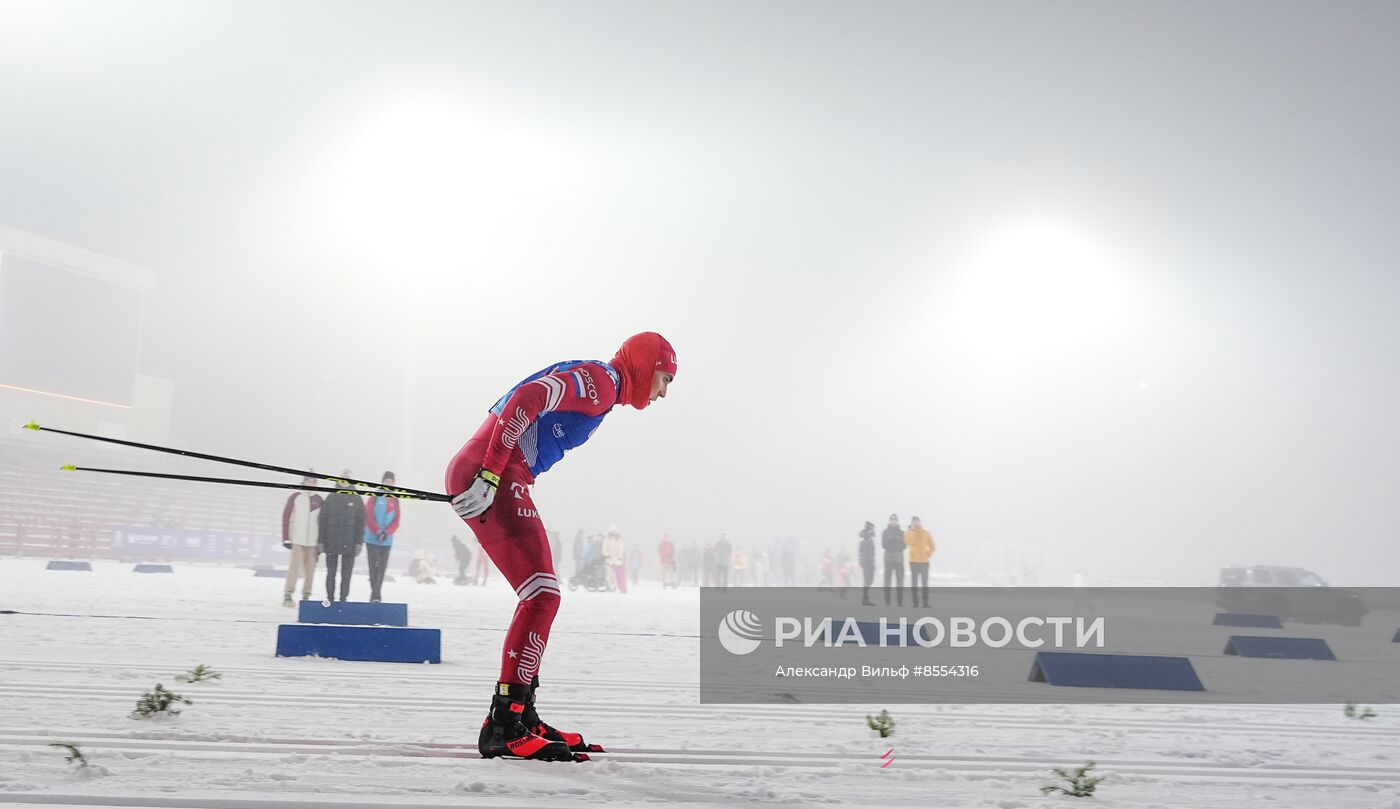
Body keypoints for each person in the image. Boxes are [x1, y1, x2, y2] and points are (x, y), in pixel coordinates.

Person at [445, 331, 676, 761]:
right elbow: (526, 399)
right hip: (494, 471)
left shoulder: (601, 381)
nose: (663, 392)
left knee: (540, 595)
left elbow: (524, 400)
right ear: (646, 367)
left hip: (494, 469)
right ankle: (505, 724)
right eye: (664, 379)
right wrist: (491, 472)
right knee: (541, 595)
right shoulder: (602, 383)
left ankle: (519, 715)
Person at [318, 471, 366, 602]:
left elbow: (361, 522)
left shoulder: (356, 498)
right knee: (331, 573)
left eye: (347, 479)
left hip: (349, 543)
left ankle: (343, 598)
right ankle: (330, 597)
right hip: (331, 542)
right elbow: (322, 520)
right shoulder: (331, 496)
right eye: (342, 479)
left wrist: (359, 542)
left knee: (346, 574)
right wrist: (321, 540)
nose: (344, 481)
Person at [280, 474, 322, 607]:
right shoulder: (295, 497)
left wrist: (321, 542)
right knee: (295, 568)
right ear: (304, 482)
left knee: (310, 569)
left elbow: (322, 521)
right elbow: (286, 517)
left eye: (313, 481)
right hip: (297, 539)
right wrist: (286, 537)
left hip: (313, 541)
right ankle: (288, 595)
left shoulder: (319, 499)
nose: (311, 483)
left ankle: (306, 595)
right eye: (308, 480)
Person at [364, 470, 401, 603]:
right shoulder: (374, 497)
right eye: (386, 481)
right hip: (372, 539)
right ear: (382, 482)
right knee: (374, 568)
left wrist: (387, 532)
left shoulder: (395, 500)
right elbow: (368, 516)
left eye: (391, 482)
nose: (389, 483)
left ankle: (376, 595)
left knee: (381, 569)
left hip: (386, 541)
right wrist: (378, 531)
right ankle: (375, 595)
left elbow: (396, 520)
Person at [905, 515, 936, 608]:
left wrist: (928, 553)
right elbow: (908, 542)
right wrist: (912, 530)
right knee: (914, 583)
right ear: (912, 523)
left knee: (924, 583)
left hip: (924, 562)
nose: (916, 523)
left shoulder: (926, 533)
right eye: (914, 522)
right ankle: (915, 603)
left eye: (917, 521)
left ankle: (925, 603)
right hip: (914, 562)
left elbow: (933, 546)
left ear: (920, 522)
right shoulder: (909, 533)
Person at [881, 513, 905, 607]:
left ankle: (900, 602)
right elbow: (883, 545)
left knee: (900, 580)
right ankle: (887, 601)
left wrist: (894, 543)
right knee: (887, 580)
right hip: (888, 558)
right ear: (889, 521)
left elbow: (904, 545)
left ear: (897, 521)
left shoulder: (902, 533)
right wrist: (893, 543)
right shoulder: (885, 532)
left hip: (899, 559)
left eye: (895, 520)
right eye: (892, 520)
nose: (893, 522)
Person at [858, 521, 876, 606]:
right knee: (867, 580)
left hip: (870, 562)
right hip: (866, 562)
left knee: (869, 580)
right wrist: (862, 562)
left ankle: (865, 598)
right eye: (872, 529)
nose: (873, 531)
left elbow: (872, 552)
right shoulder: (864, 541)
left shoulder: (870, 540)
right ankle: (864, 599)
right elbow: (862, 553)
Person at [603, 527, 627, 594]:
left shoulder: (619, 540)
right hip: (609, 559)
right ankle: (610, 586)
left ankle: (617, 586)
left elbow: (621, 549)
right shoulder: (607, 539)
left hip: (617, 560)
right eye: (612, 531)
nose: (613, 532)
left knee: (616, 574)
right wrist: (607, 555)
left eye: (615, 531)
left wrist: (619, 557)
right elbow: (604, 548)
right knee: (609, 574)